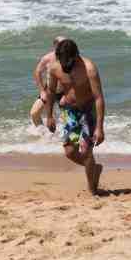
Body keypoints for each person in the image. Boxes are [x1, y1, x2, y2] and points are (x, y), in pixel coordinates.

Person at [43, 39, 106, 195]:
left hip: (87, 111)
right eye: (62, 61)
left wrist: (99, 127)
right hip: (69, 111)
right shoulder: (55, 67)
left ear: (76, 56)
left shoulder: (89, 69)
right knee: (70, 152)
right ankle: (93, 168)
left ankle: (92, 190)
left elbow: (99, 98)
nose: (65, 65)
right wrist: (49, 115)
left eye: (68, 62)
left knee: (86, 152)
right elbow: (51, 91)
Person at [30, 36, 66, 127]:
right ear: (55, 46)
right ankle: (44, 135)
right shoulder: (48, 58)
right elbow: (37, 72)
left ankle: (66, 136)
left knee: (67, 118)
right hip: (49, 90)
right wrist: (42, 91)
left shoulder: (70, 58)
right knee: (34, 113)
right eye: (63, 44)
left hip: (65, 91)